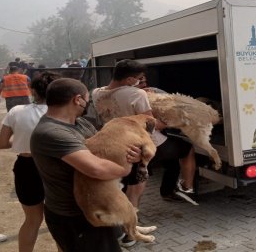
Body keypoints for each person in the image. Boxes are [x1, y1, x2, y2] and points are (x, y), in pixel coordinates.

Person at [92, 59, 198, 246]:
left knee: (123, 185)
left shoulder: (97, 93)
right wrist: (175, 122)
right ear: (130, 78)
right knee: (139, 185)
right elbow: (151, 124)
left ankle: (164, 194)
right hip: (139, 146)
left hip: (114, 144)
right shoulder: (136, 94)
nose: (141, 81)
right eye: (139, 79)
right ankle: (129, 234)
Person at [30, 78, 142, 252]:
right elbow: (96, 168)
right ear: (77, 99)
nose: (88, 103)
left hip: (93, 207)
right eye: (87, 98)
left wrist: (132, 155)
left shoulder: (80, 123)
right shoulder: (51, 132)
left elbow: (105, 148)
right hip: (73, 216)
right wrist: (126, 168)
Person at [0, 72, 61, 252]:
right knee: (59, 220)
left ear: (32, 90)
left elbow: (2, 143)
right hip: (56, 169)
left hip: (26, 167)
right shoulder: (64, 113)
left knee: (32, 220)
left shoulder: (16, 111)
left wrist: (21, 140)